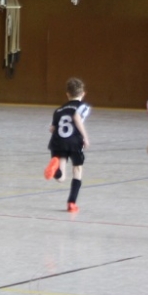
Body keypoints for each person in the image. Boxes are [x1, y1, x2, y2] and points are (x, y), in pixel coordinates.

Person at [43, 78, 90, 213]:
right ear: (83, 94)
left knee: (61, 178)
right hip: (74, 141)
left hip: (58, 141)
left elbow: (52, 128)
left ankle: (55, 169)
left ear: (67, 94)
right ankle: (71, 203)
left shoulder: (59, 110)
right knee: (77, 170)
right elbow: (77, 118)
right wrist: (85, 137)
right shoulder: (83, 106)